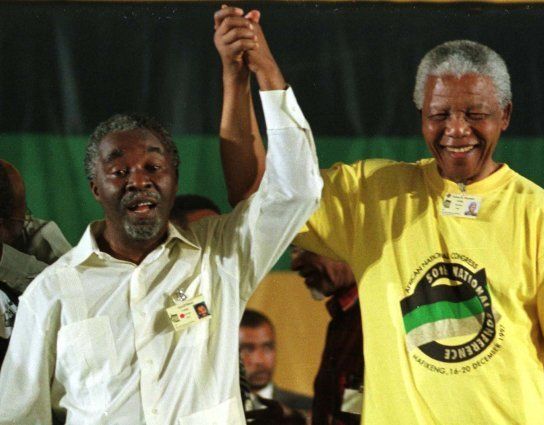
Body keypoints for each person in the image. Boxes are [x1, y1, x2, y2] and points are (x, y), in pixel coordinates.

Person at [220, 37, 544, 424]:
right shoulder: (372, 196)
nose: (456, 130)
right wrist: (245, 76)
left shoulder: (543, 219)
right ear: (422, 115)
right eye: (439, 114)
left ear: (504, 115)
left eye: (475, 114)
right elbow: (254, 189)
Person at [0, 8, 322, 424]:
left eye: (154, 167)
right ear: (97, 188)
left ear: (173, 179)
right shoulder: (52, 292)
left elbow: (297, 190)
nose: (140, 181)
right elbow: (18, 414)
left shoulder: (220, 259)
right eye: (119, 171)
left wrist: (262, 69)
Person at [0, 159, 71, 365]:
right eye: (18, 220)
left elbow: (72, 294)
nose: (24, 222)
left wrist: (5, 259)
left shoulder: (41, 237)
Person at [290, 247, 363, 425]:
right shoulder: (345, 319)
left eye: (305, 248)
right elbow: (352, 408)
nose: (295, 264)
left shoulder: (381, 315)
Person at [239, 309, 312, 413]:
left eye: (267, 348)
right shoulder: (213, 410)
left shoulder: (307, 409)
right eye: (248, 349)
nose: (259, 360)